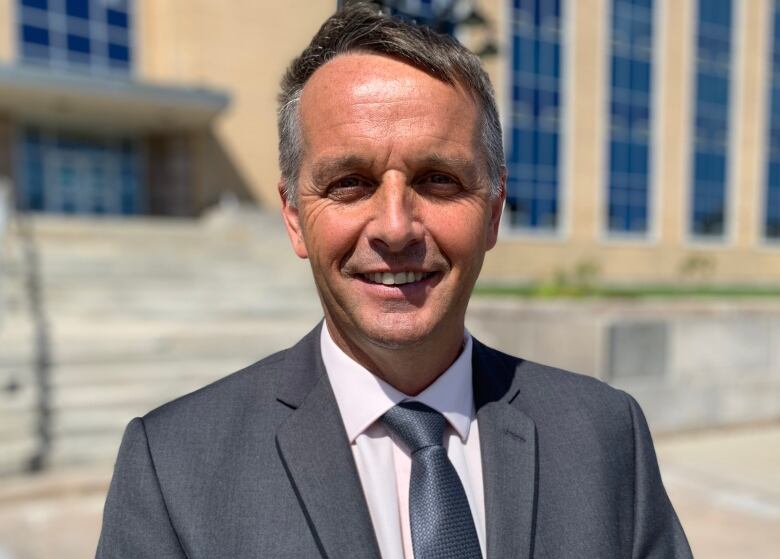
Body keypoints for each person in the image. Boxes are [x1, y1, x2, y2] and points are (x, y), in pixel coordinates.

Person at [96, 4, 692, 558]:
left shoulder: (608, 434)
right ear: (294, 218)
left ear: (492, 212)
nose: (395, 226)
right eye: (350, 183)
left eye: (438, 180)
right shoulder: (171, 469)